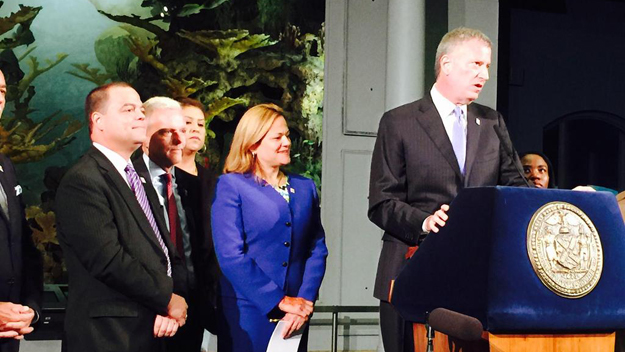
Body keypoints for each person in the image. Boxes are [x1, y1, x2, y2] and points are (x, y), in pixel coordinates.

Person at [368, 27, 528, 352]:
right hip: (410, 271)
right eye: (476, 64)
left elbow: (517, 191)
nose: (484, 74)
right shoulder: (399, 122)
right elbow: (382, 201)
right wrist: (424, 222)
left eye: (488, 66)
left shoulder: (492, 122)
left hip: (476, 281)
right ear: (447, 64)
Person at [56, 83, 188, 352]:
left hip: (151, 328)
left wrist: (176, 297)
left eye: (141, 109)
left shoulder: (136, 176)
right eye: (128, 109)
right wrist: (166, 297)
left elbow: (161, 249)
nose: (141, 115)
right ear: (98, 121)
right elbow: (108, 260)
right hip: (109, 336)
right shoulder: (83, 180)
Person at [211, 103, 328, 352]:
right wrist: (280, 300)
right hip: (248, 311)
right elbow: (231, 256)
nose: (286, 142)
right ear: (253, 144)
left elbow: (316, 249)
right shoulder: (231, 186)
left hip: (296, 314)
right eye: (277, 137)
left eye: (287, 135)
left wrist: (304, 301)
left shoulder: (305, 187)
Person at [132, 96, 214, 352]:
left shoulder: (190, 183)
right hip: (149, 311)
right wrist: (162, 301)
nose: (182, 137)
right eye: (169, 131)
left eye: (185, 129)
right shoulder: (128, 179)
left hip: (192, 305)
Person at [0, 69, 42, 352]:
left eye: (2, 91)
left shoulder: (6, 166)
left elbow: (23, 245)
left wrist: (31, 307)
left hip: (10, 335)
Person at [175, 97, 219, 336]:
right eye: (187, 122)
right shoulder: (162, 179)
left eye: (200, 124)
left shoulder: (214, 181)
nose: (195, 129)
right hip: (172, 294)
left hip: (203, 292)